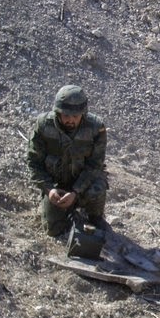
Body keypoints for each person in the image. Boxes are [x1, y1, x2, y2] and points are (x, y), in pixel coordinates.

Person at [27, 85, 109, 237]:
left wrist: (75, 192)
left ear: (83, 114)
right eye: (66, 115)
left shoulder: (96, 128)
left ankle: (95, 216)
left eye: (75, 116)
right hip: (56, 186)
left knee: (98, 187)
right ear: (58, 112)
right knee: (53, 231)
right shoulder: (43, 125)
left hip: (83, 183)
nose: (70, 120)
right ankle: (63, 210)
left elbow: (95, 165)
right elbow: (34, 163)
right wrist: (49, 189)